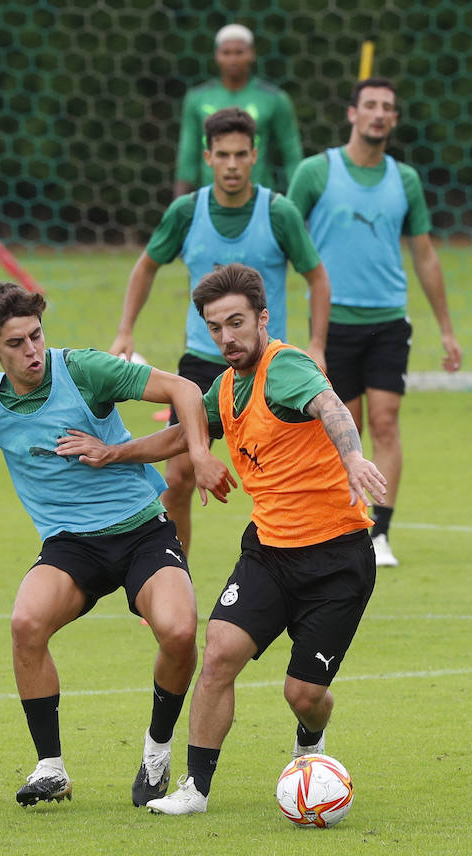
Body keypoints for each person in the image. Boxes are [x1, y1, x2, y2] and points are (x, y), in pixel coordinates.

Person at [0, 282, 234, 808]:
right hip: (70, 546)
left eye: (36, 336)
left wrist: (198, 453)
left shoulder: (84, 371)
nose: (32, 352)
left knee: (178, 629)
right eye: (16, 343)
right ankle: (51, 769)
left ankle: (156, 750)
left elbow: (186, 391)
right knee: (25, 624)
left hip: (142, 529)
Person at [56, 263, 386, 816]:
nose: (227, 337)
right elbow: (181, 435)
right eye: (215, 327)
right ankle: (196, 789)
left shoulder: (287, 370)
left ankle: (311, 741)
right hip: (268, 553)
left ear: (262, 318)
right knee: (218, 656)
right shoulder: (227, 387)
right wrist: (114, 452)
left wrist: (352, 454)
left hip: (336, 555)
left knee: (302, 696)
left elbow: (329, 406)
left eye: (236, 323)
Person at [112, 107, 330, 556]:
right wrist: (125, 332)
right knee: (176, 478)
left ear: (255, 155)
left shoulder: (279, 212)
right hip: (201, 361)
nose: (232, 165)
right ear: (208, 158)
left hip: (268, 367)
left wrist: (316, 346)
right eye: (223, 155)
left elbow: (318, 278)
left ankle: (300, 557)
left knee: (282, 472)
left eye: (240, 155)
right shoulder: (187, 211)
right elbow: (146, 267)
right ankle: (174, 578)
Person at [287, 77, 463, 568]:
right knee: (347, 428)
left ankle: (379, 534)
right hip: (334, 322)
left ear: (395, 119)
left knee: (386, 422)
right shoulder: (316, 173)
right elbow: (281, 235)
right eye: (370, 105)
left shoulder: (404, 180)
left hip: (389, 320)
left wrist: (446, 328)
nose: (379, 114)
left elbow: (425, 257)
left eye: (388, 107)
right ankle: (347, 526)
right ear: (352, 114)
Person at [173, 23, 303, 196]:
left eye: (239, 52)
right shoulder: (197, 98)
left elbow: (291, 153)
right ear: (217, 56)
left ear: (251, 54)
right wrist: (178, 204)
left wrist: (298, 205)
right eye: (226, 53)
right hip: (210, 198)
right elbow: (188, 154)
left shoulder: (274, 99)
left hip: (259, 197)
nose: (233, 59)